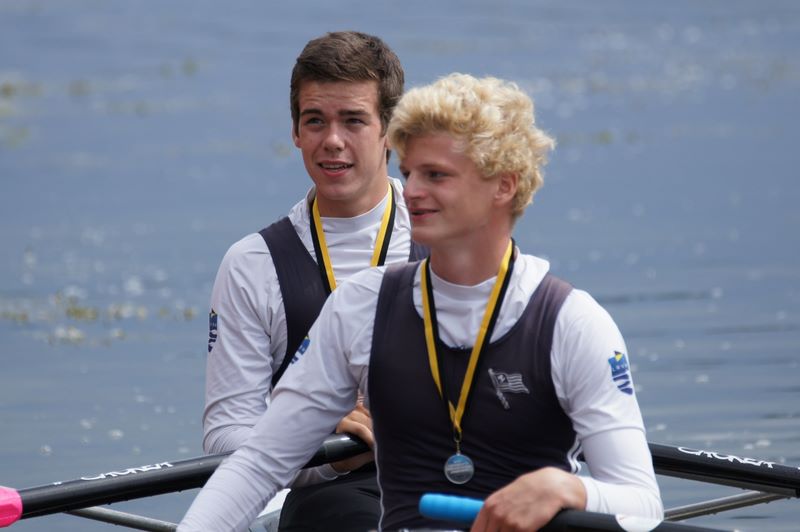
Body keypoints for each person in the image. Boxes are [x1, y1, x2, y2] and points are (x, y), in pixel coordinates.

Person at [181, 73, 663, 531]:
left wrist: (569, 489)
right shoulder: (359, 308)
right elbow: (258, 466)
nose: (411, 192)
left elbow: (642, 504)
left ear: (504, 184)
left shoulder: (572, 324)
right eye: (409, 172)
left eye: (436, 175)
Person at [202, 31, 426, 532]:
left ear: (392, 130)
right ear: (296, 132)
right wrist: (325, 449)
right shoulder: (253, 265)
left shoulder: (451, 238)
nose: (333, 141)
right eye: (315, 120)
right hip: (329, 495)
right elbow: (225, 437)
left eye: (353, 120)